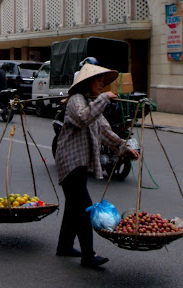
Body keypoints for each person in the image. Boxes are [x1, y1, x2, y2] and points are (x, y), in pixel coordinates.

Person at [55, 63, 139, 268]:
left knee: (73, 207)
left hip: (82, 164)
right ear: (87, 82)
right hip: (70, 161)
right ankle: (88, 256)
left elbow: (104, 131)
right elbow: (84, 118)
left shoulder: (93, 105)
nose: (102, 84)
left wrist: (124, 148)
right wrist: (103, 99)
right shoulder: (76, 101)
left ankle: (64, 246)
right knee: (84, 207)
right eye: (98, 80)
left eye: (103, 80)